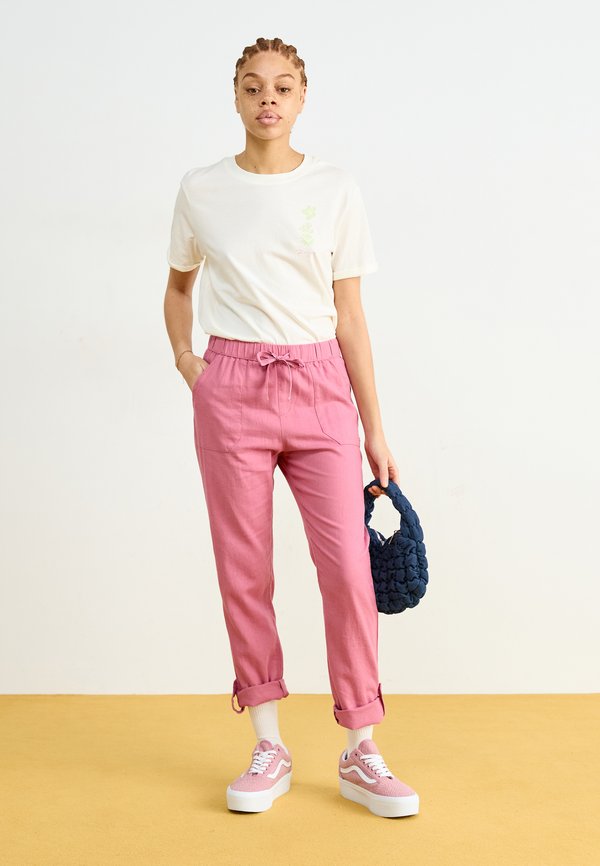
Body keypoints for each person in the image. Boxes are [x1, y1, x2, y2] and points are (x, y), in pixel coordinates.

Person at [163, 36, 419, 819]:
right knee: (245, 570)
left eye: (281, 86)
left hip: (319, 388)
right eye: (252, 86)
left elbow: (351, 316)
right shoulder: (201, 189)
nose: (266, 99)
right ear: (235, 98)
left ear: (302, 97)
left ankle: (361, 748)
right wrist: (191, 364)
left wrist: (375, 428)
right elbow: (178, 288)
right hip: (231, 387)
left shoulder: (334, 188)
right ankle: (268, 743)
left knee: (347, 571)